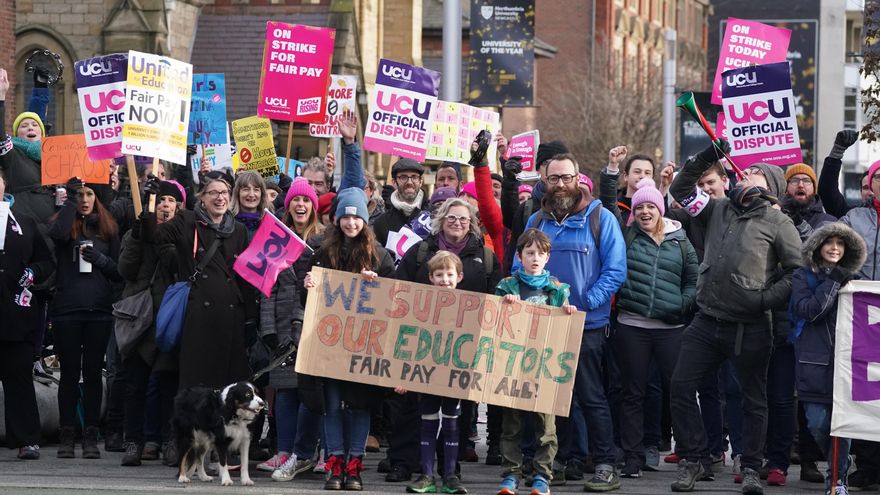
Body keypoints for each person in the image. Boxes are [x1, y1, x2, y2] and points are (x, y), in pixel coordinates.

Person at [668, 141, 801, 495]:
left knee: (753, 400)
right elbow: (680, 188)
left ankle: (753, 469)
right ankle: (694, 459)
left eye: (755, 175)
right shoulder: (718, 209)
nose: (745, 176)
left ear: (769, 188)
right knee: (680, 387)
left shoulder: (778, 222)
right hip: (708, 319)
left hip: (751, 326)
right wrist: (708, 156)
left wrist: (762, 301)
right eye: (745, 172)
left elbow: (795, 272)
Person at [516, 152, 627, 492]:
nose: (561, 184)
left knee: (591, 396)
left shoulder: (601, 217)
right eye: (554, 178)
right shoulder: (536, 220)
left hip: (584, 325)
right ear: (544, 181)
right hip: (544, 325)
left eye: (566, 177)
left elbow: (616, 269)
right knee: (550, 398)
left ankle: (606, 464)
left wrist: (585, 303)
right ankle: (557, 462)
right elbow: (518, 265)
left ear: (579, 179)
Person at [387, 197, 503, 483]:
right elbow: (397, 291)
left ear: (471, 223)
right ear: (440, 220)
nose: (457, 222)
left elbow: (497, 298)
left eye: (464, 219)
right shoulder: (420, 251)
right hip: (421, 343)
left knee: (459, 412)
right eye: (451, 217)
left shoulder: (485, 257)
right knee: (412, 407)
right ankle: (404, 462)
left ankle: (451, 468)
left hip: (463, 349)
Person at [599, 178, 698, 478]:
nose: (644, 212)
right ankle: (632, 456)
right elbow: (607, 203)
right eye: (639, 206)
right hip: (632, 327)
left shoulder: (680, 239)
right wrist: (611, 172)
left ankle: (694, 456)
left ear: (660, 209)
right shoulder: (626, 236)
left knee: (679, 391)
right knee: (632, 393)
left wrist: (682, 305)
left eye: (650, 206)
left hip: (671, 328)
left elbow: (693, 279)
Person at [303, 187, 395, 491]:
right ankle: (335, 464)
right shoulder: (321, 252)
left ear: (365, 221)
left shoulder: (380, 257)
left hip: (364, 343)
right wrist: (310, 283)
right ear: (337, 219)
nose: (351, 222)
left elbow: (395, 300)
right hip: (329, 343)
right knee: (331, 405)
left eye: (357, 217)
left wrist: (378, 285)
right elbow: (310, 296)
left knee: (359, 405)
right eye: (345, 216)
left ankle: (355, 466)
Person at [141, 173, 254, 389]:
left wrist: (250, 318)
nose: (220, 198)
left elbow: (244, 276)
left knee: (228, 390)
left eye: (224, 193)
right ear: (202, 197)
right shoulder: (186, 221)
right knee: (198, 389)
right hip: (198, 319)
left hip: (231, 320)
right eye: (213, 193)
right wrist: (150, 203)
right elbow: (153, 236)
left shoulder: (238, 230)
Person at [495, 228, 575, 495]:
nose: (535, 258)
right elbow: (492, 321)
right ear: (519, 256)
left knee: (546, 426)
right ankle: (511, 474)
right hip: (513, 367)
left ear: (548, 258)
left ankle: (542, 475)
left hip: (545, 368)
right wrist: (503, 303)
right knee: (512, 424)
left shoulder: (558, 290)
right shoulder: (507, 286)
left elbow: (566, 329)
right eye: (529, 253)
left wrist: (568, 312)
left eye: (541, 253)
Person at [48, 178, 122, 459]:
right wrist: (68, 201)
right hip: (67, 310)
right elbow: (56, 234)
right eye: (79, 194)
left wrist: (100, 261)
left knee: (92, 375)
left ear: (98, 198)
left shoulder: (108, 230)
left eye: (89, 193)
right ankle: (67, 433)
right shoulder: (66, 224)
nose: (84, 198)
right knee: (68, 374)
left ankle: (91, 434)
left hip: (99, 312)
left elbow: (118, 272)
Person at [791, 222, 865, 495]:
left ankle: (837, 480)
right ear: (818, 246)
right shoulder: (802, 277)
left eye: (840, 243)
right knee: (817, 422)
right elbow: (809, 311)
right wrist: (833, 281)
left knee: (842, 424)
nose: (834, 248)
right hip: (814, 363)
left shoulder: (857, 277)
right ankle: (839, 462)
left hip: (848, 364)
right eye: (829, 242)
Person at [118, 181, 183, 467]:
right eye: (161, 200)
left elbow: (178, 266)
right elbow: (125, 269)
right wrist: (137, 236)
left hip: (168, 320)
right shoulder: (136, 233)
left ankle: (170, 440)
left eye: (171, 200)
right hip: (139, 320)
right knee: (135, 386)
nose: (165, 205)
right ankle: (134, 441)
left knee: (169, 386)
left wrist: (161, 237)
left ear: (179, 207)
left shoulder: (184, 235)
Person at [402, 251, 469, 495]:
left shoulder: (469, 307)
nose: (444, 279)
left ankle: (450, 475)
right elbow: (408, 340)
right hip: (426, 373)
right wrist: (402, 375)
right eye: (439, 274)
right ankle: (426, 474)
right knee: (427, 421)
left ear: (459, 277)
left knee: (452, 421)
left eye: (449, 274)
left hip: (454, 375)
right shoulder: (421, 305)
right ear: (430, 277)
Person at [0, 168, 54, 460]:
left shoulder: (25, 223)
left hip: (15, 314)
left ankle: (26, 439)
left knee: (19, 378)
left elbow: (45, 260)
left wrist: (33, 272)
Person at [837, 156, 880, 490]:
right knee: (866, 392)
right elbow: (838, 251)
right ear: (871, 183)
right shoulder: (855, 217)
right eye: (878, 177)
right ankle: (867, 465)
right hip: (864, 315)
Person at [0, 68, 55, 225]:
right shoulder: (12, 154)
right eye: (24, 126)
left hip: (51, 233)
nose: (30, 128)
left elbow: (37, 113)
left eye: (34, 125)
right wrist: (1, 98)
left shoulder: (54, 156)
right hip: (23, 229)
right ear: (17, 135)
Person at [373, 158, 429, 246]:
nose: (409, 182)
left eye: (414, 177)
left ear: (420, 182)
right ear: (394, 182)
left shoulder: (433, 217)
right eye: (403, 177)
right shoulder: (381, 223)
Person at [782, 163, 836, 241]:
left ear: (814, 188)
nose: (800, 185)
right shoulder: (775, 216)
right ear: (786, 187)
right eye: (794, 181)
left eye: (806, 181)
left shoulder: (830, 221)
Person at [818, 130, 863, 218]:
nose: (870, 192)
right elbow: (828, 194)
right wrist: (837, 152)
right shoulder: (853, 217)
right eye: (866, 188)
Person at [230, 170, 268, 238]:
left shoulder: (270, 223)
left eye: (256, 190)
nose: (251, 194)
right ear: (237, 193)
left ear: (262, 194)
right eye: (246, 189)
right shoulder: (226, 222)